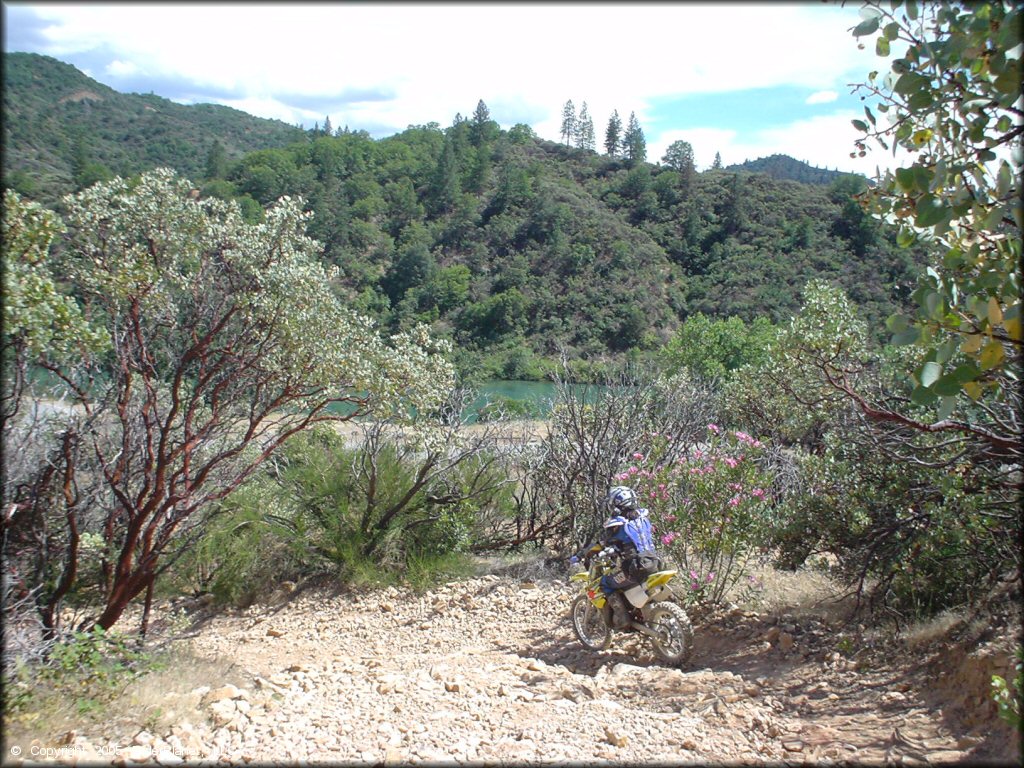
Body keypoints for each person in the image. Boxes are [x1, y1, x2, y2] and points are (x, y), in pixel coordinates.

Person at [569, 485, 662, 629]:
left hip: (635, 568)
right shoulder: (643, 518)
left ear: (617, 504)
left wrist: (582, 555)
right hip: (655, 563)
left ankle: (623, 619)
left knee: (605, 583)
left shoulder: (618, 524)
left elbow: (600, 544)